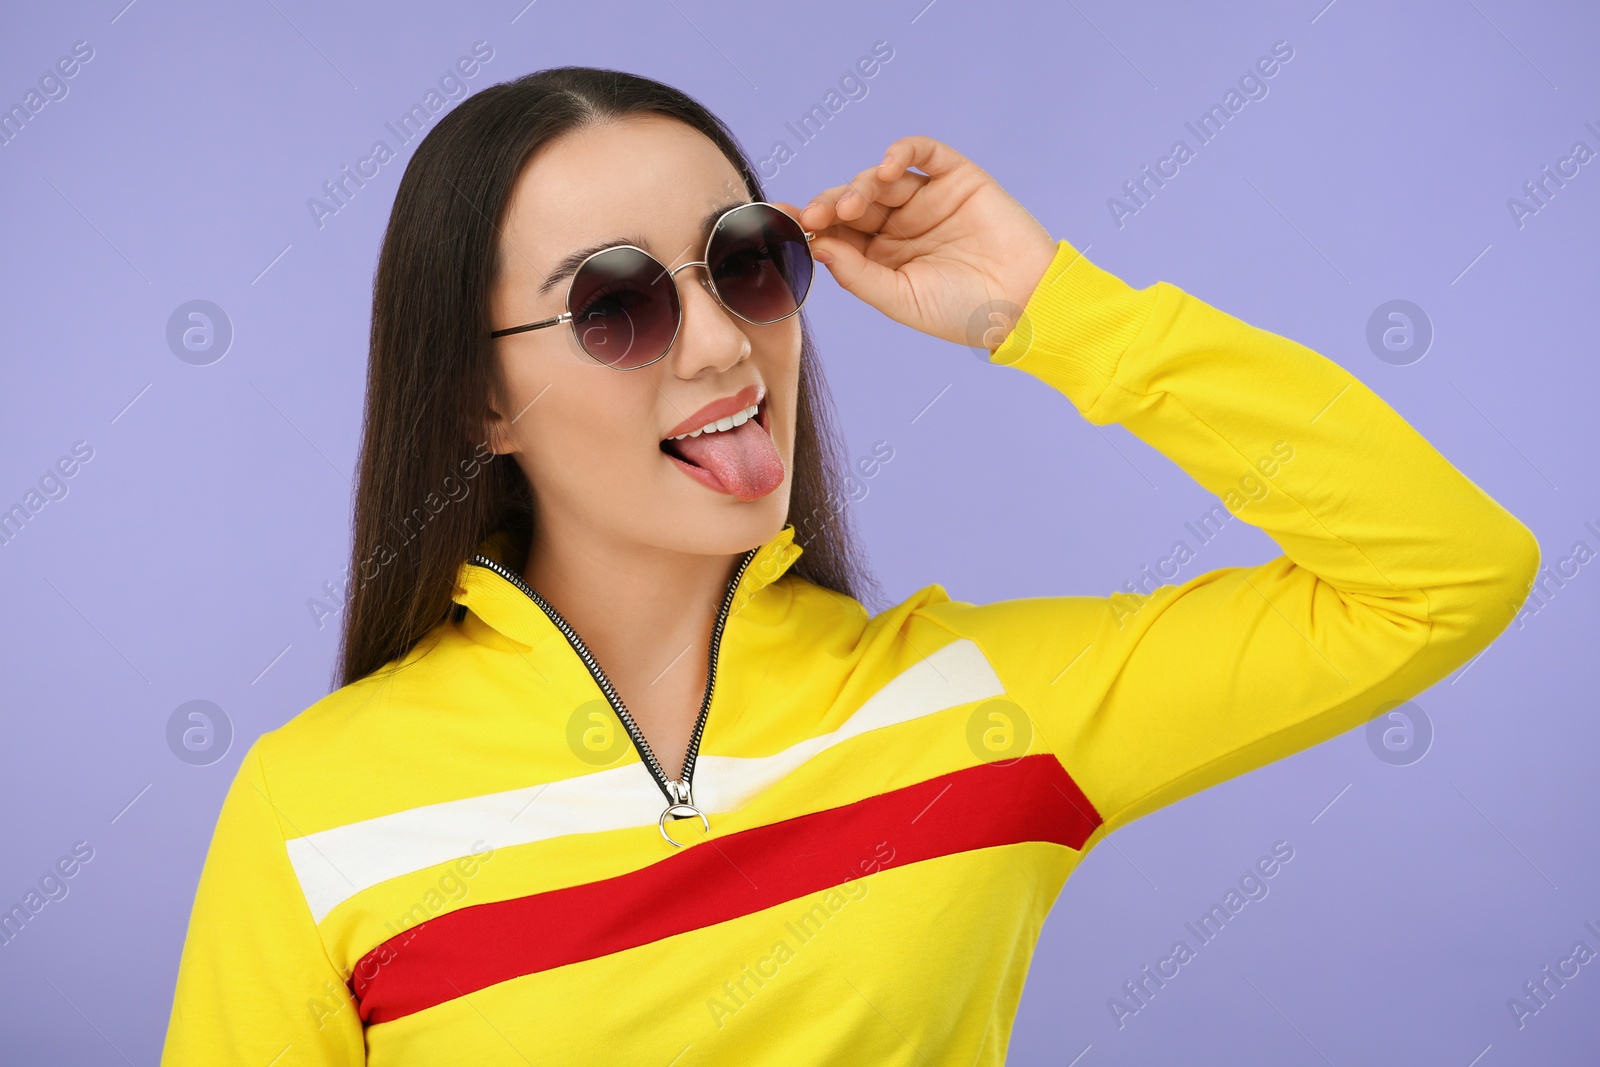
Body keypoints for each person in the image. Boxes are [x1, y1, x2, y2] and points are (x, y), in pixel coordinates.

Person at [159, 66, 1537, 1066]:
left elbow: (1448, 573)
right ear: (480, 402)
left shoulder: (989, 711)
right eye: (618, 304)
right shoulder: (313, 808)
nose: (718, 348)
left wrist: (1054, 311)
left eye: (743, 263)